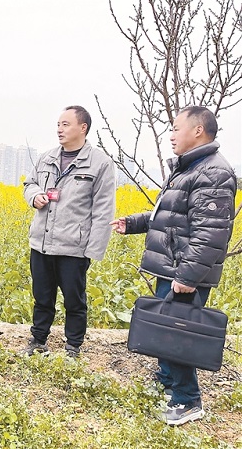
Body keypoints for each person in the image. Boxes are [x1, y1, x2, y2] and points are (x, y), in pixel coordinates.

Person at [111, 106, 236, 425]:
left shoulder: (213, 172)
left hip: (184, 270)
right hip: (174, 265)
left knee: (177, 335)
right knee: (166, 329)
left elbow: (210, 234)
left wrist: (188, 276)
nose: (171, 134)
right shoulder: (190, 167)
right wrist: (134, 223)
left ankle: (187, 400)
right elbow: (169, 215)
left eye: (176, 128)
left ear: (198, 130)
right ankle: (167, 381)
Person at [22, 105, 116, 358]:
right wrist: (34, 196)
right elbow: (29, 184)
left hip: (74, 246)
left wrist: (93, 250)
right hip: (42, 242)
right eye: (58, 124)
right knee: (42, 296)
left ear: (83, 128)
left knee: (74, 300)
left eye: (65, 124)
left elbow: (104, 209)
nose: (59, 129)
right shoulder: (47, 157)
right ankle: (38, 339)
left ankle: (73, 345)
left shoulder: (100, 163)